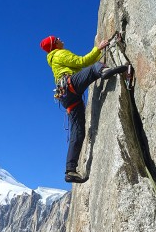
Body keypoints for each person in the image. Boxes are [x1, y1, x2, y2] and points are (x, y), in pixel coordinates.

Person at [40, 35, 127, 183]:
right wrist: (98, 48)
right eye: (57, 39)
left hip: (66, 97)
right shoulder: (59, 53)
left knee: (78, 131)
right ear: (54, 44)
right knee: (95, 68)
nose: (61, 38)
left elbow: (79, 66)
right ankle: (104, 71)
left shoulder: (53, 59)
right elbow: (82, 61)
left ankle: (70, 170)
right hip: (70, 85)